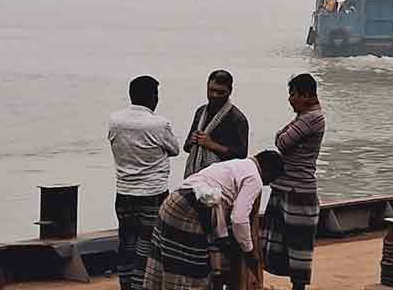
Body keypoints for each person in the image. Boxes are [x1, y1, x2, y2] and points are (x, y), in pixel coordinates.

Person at [144, 152, 285, 290]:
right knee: (191, 267)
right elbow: (239, 219)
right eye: (271, 180)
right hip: (188, 212)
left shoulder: (239, 164)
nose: (267, 183)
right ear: (268, 173)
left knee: (171, 261)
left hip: (173, 203)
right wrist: (249, 251)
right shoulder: (255, 178)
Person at [108, 76, 180, 290]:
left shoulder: (115, 120)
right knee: (147, 246)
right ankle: (142, 286)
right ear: (153, 97)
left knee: (126, 243)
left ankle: (126, 285)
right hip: (153, 193)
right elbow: (175, 149)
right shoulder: (160, 124)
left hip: (124, 192)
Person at [262, 74, 326, 290]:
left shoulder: (312, 118)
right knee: (279, 241)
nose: (290, 99)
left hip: (298, 189)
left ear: (307, 95)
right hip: (285, 186)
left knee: (299, 243)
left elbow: (282, 141)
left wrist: (282, 132)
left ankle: (298, 287)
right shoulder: (305, 116)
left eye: (293, 94)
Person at [183, 70, 250, 178]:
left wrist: (211, 145)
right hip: (195, 176)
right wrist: (193, 140)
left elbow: (241, 156)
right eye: (212, 90)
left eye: (221, 92)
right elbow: (186, 147)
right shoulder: (200, 112)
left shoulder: (237, 118)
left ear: (230, 91)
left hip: (221, 179)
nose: (215, 95)